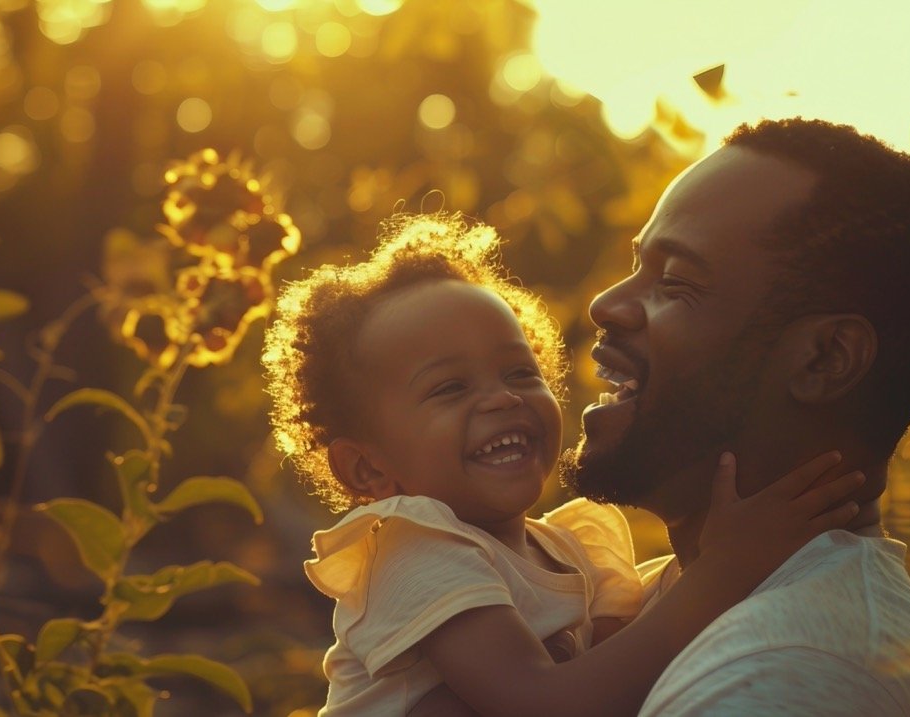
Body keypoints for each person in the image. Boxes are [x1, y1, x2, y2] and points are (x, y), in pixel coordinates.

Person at [262, 213, 865, 716]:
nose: (503, 398)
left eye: (521, 372)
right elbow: (544, 704)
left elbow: (626, 675)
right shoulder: (414, 550)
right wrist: (724, 571)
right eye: (449, 388)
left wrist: (710, 557)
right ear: (366, 470)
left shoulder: (567, 550)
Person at [563, 117, 910, 715]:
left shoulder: (786, 676)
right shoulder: (663, 605)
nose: (605, 304)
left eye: (678, 282)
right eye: (638, 265)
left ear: (824, 359)